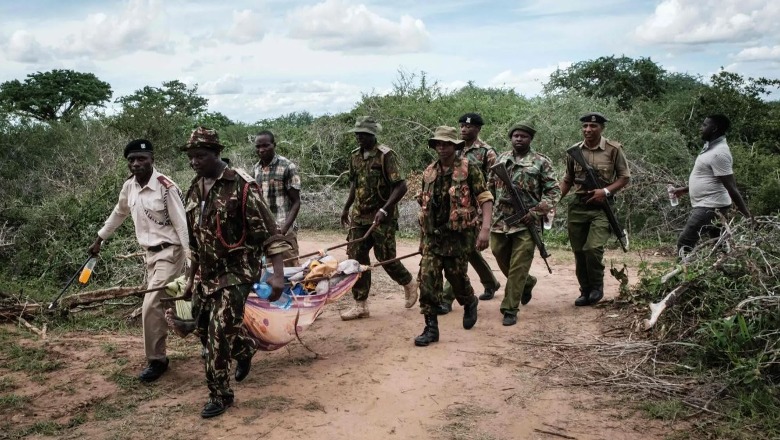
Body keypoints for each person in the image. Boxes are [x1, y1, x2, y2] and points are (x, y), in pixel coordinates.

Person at [180, 127, 291, 418]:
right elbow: (195, 242)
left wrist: (278, 274)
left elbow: (270, 234)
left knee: (217, 337)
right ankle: (244, 348)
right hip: (207, 274)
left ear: (217, 153)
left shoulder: (241, 186)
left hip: (237, 273)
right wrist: (190, 280)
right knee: (203, 329)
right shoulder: (193, 189)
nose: (195, 162)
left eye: (200, 156)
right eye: (191, 157)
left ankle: (220, 395)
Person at [88, 139, 188, 382]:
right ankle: (207, 334)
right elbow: (119, 212)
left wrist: (192, 259)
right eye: (131, 160)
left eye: (141, 159)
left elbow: (182, 225)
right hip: (150, 255)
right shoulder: (129, 187)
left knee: (151, 305)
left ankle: (157, 360)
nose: (136, 163)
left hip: (170, 252)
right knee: (172, 303)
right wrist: (100, 238)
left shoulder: (166, 187)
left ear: (152, 159)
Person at [414, 126, 494, 346]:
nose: (441, 148)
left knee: (456, 278)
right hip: (433, 236)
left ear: (455, 146)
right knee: (427, 280)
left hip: (458, 236)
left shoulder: (469, 169)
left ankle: (469, 301)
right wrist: (423, 240)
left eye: (446, 144)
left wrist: (485, 229)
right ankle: (431, 329)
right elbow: (424, 206)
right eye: (438, 144)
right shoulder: (429, 171)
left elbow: (485, 198)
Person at [339, 116, 418, 320]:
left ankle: (408, 282)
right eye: (357, 134)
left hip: (383, 216)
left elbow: (401, 186)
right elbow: (354, 185)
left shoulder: (386, 155)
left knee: (385, 258)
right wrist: (346, 208)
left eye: (363, 134)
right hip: (360, 216)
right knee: (356, 259)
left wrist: (384, 209)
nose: (359, 138)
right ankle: (360, 305)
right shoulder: (354, 156)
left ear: (372, 135)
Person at [489, 122, 560, 326]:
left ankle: (510, 308)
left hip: (527, 222)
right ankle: (527, 283)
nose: (519, 139)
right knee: (498, 253)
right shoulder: (501, 159)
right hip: (501, 220)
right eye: (516, 136)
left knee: (519, 264)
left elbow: (554, 191)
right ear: (511, 138)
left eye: (524, 136)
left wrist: (536, 211)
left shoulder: (541, 162)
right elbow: (489, 186)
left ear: (531, 139)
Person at [559, 112, 630, 307]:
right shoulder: (574, 151)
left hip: (601, 206)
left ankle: (597, 287)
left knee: (593, 248)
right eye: (585, 126)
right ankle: (585, 290)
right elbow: (568, 180)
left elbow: (624, 177)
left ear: (602, 128)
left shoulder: (613, 149)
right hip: (578, 205)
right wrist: (553, 201)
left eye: (593, 126)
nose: (588, 130)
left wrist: (605, 191)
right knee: (579, 251)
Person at [438, 113, 501, 314]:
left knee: (459, 253)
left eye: (469, 126)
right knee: (469, 250)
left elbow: (493, 184)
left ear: (478, 129)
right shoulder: (453, 148)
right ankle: (490, 282)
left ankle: (447, 298)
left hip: (476, 210)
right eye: (462, 126)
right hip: (455, 210)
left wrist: (485, 216)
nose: (464, 129)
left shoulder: (487, 152)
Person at [671, 114, 752, 258]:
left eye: (704, 125)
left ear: (714, 128)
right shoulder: (710, 147)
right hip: (711, 204)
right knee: (719, 242)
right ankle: (727, 269)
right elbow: (709, 178)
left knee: (685, 241)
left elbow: (731, 187)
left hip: (710, 206)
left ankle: (681, 276)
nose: (700, 128)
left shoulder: (719, 153)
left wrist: (747, 215)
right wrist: (684, 190)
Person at [252, 130, 302, 266]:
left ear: (274, 145)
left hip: (283, 230)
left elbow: (296, 202)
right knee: (268, 274)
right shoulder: (256, 169)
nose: (261, 150)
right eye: (258, 147)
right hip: (265, 232)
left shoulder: (287, 166)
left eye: (265, 146)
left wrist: (284, 229)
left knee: (289, 272)